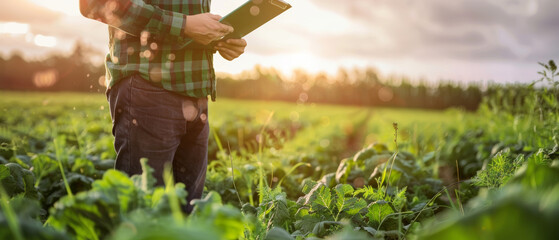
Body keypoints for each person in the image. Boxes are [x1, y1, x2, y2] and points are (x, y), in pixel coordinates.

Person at [79, 0, 247, 213]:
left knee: (184, 217)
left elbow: (187, 17)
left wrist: (217, 39)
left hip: (196, 94)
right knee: (144, 213)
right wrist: (184, 25)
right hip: (147, 87)